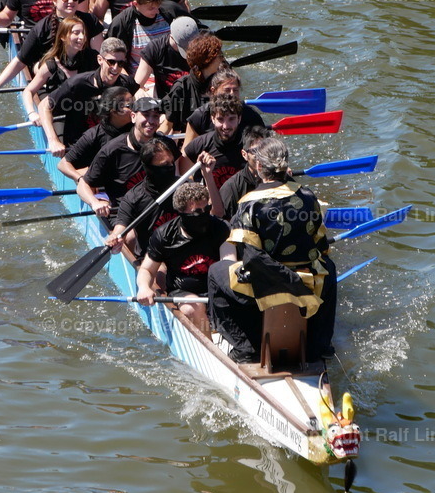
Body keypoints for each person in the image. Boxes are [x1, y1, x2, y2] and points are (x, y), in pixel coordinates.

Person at [207, 136, 337, 364]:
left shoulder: (249, 202)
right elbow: (320, 244)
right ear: (285, 165)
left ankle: (246, 347)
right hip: (307, 278)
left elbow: (253, 257)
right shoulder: (307, 195)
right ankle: (319, 346)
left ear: (258, 166)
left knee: (216, 272)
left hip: (265, 284)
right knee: (330, 268)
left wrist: (286, 279)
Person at [135, 182, 230, 336]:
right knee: (192, 307)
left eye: (206, 209)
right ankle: (210, 349)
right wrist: (144, 287)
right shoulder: (164, 235)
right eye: (197, 212)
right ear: (182, 212)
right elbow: (146, 269)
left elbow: (229, 262)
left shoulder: (220, 227)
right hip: (183, 291)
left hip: (217, 288)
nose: (204, 215)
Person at [0, 0, 103, 94]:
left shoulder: (89, 20)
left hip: (82, 71)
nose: (71, 1)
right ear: (54, 1)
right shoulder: (42, 27)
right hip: (51, 77)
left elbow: (100, 56)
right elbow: (20, 61)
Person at [76, 97, 180, 218]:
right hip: (125, 215)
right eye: (146, 115)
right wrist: (95, 203)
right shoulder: (112, 150)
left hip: (162, 210)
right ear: (133, 116)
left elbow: (178, 176)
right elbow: (83, 185)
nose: (151, 121)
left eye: (156, 116)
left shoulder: (167, 145)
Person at [41, 38, 138, 155]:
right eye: (111, 62)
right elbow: (44, 106)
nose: (116, 68)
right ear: (100, 60)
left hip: (112, 146)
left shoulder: (127, 84)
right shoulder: (76, 84)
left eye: (120, 63)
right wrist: (53, 141)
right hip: (79, 147)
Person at [19, 17, 99, 122]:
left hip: (84, 110)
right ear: (62, 36)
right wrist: (32, 113)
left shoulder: (92, 57)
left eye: (83, 33)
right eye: (76, 33)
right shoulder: (51, 65)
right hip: (59, 114)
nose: (82, 37)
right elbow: (28, 91)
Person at [104, 0, 186, 77]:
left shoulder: (171, 10)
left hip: (174, 75)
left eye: (158, 5)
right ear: (136, 4)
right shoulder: (121, 23)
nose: (157, 11)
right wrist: (132, 86)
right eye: (151, 8)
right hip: (141, 81)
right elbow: (112, 60)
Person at [57, 86, 134, 183]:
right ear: (113, 111)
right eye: (129, 106)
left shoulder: (138, 127)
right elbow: (63, 164)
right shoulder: (93, 135)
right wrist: (81, 180)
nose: (136, 108)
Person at [182, 67, 264, 149]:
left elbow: (264, 148)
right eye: (227, 90)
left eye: (235, 90)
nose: (232, 94)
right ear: (213, 91)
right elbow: (186, 151)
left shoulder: (251, 116)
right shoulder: (199, 116)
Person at [162, 33, 226, 132]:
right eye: (220, 55)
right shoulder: (181, 88)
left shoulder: (224, 83)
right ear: (208, 60)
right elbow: (168, 124)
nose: (223, 58)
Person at [182, 94, 247, 189]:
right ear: (212, 119)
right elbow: (184, 165)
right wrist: (196, 189)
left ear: (239, 119)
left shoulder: (249, 144)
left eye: (231, 119)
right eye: (220, 119)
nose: (226, 126)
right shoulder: (201, 144)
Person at [134, 16, 201, 99]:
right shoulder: (155, 48)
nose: (189, 52)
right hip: (165, 102)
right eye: (184, 48)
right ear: (171, 37)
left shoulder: (203, 48)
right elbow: (137, 85)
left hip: (194, 99)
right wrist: (139, 91)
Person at [219, 124, 276, 220]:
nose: (261, 156)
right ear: (244, 155)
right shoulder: (231, 188)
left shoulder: (281, 179)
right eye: (255, 151)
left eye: (265, 150)